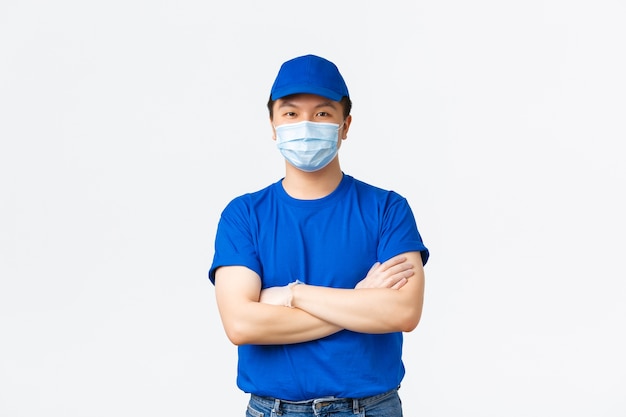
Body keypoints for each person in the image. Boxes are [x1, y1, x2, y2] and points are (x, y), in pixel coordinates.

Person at [208, 54, 429, 417]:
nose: (306, 125)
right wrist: (359, 302)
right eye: (291, 113)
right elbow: (241, 323)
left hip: (369, 409)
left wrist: (294, 294)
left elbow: (402, 311)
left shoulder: (387, 209)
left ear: (345, 125)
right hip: (272, 410)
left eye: (323, 113)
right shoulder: (244, 215)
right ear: (273, 123)